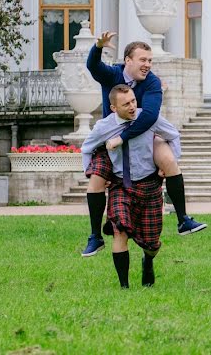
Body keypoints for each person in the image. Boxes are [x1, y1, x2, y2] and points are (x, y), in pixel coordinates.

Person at [81, 32, 206, 257]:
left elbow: (149, 116)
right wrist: (98, 46)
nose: (148, 64)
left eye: (150, 60)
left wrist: (123, 138)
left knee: (168, 160)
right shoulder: (112, 74)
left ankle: (183, 220)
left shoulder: (152, 82)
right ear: (128, 60)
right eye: (143, 60)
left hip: (143, 133)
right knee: (96, 181)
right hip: (109, 136)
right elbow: (93, 66)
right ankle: (95, 236)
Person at [81, 85, 182, 288]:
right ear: (113, 107)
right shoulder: (104, 126)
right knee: (119, 231)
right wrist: (90, 172)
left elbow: (173, 134)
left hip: (149, 184)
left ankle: (149, 261)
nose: (132, 106)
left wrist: (169, 163)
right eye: (126, 104)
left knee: (152, 243)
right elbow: (86, 148)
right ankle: (124, 286)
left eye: (134, 101)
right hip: (121, 185)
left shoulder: (147, 119)